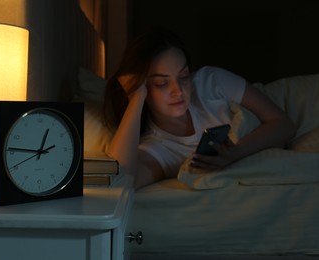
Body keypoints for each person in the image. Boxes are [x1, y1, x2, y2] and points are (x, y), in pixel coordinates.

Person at [103, 28, 296, 190]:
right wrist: (136, 98)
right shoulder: (157, 148)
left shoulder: (210, 83)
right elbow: (117, 182)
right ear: (143, 87)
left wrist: (236, 152)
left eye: (184, 76)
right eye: (161, 83)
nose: (178, 91)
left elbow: (284, 124)